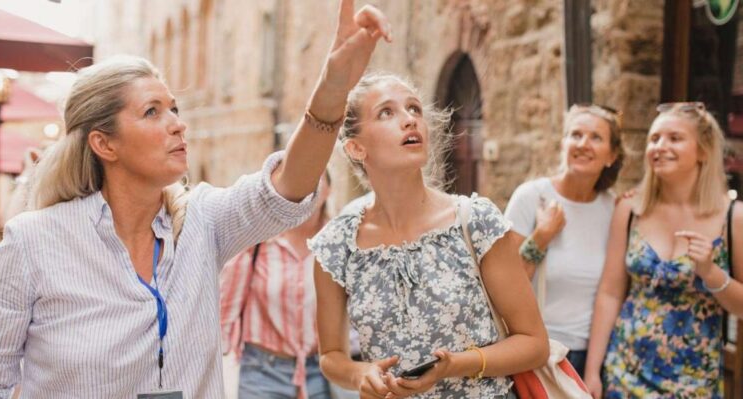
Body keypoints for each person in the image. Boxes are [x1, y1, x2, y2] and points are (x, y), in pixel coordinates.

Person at [0, 1, 392, 397]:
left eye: (174, 109)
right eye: (152, 112)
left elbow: (288, 186)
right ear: (104, 143)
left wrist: (334, 86)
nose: (179, 125)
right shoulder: (34, 242)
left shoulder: (202, 221)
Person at [308, 72, 549, 398]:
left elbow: (534, 344)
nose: (409, 120)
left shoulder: (476, 221)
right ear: (356, 147)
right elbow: (330, 356)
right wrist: (360, 373)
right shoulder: (336, 245)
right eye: (386, 113)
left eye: (414, 109)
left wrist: (456, 364)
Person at [585, 102, 743, 398]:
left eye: (675, 138)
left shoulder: (733, 217)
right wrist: (593, 371)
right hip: (624, 372)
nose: (660, 146)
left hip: (694, 381)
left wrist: (711, 273)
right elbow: (610, 293)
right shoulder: (630, 210)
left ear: (703, 151)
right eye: (654, 138)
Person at [504, 103, 624, 376]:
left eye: (596, 137)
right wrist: (540, 237)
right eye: (576, 134)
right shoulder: (531, 197)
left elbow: (614, 291)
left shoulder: (614, 210)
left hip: (590, 358)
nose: (583, 144)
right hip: (535, 354)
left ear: (612, 155)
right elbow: (505, 286)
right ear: (564, 144)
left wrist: (594, 369)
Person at [218, 173, 332, 399]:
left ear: (329, 190)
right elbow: (225, 308)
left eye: (318, 176)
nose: (310, 184)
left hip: (320, 372)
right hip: (262, 373)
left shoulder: (336, 242)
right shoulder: (258, 240)